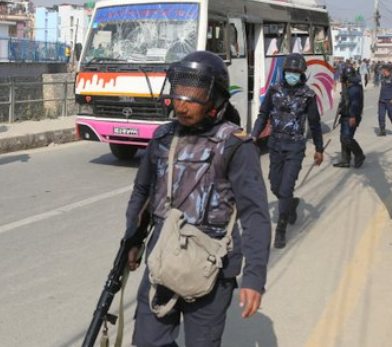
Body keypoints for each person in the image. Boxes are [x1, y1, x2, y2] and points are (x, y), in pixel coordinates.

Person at [124, 51, 271, 347]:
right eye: (179, 94)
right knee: (146, 340)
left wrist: (254, 277)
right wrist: (133, 240)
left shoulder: (236, 145)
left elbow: (255, 214)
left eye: (193, 97)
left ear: (215, 99)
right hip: (163, 256)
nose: (182, 104)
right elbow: (143, 193)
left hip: (213, 268)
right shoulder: (162, 138)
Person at [251, 53, 324, 249]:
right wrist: (254, 136)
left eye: (296, 72)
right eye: (289, 71)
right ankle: (290, 205)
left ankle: (281, 229)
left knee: (285, 188)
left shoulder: (308, 95)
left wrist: (319, 149)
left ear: (302, 74)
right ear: (284, 72)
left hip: (295, 147)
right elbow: (262, 115)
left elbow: (315, 124)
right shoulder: (274, 91)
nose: (292, 74)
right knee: (275, 187)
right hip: (275, 145)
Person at [333, 64, 366, 169]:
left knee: (347, 138)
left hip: (351, 117)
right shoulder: (349, 85)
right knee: (343, 138)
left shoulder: (354, 88)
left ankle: (359, 155)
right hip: (345, 115)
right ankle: (345, 160)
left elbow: (355, 104)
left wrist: (352, 116)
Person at [377, 63, 392, 136]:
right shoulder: (383, 78)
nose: (381, 71)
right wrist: (379, 99)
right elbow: (382, 89)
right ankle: (382, 130)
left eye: (382, 69)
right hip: (382, 101)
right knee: (381, 116)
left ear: (385, 70)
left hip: (390, 101)